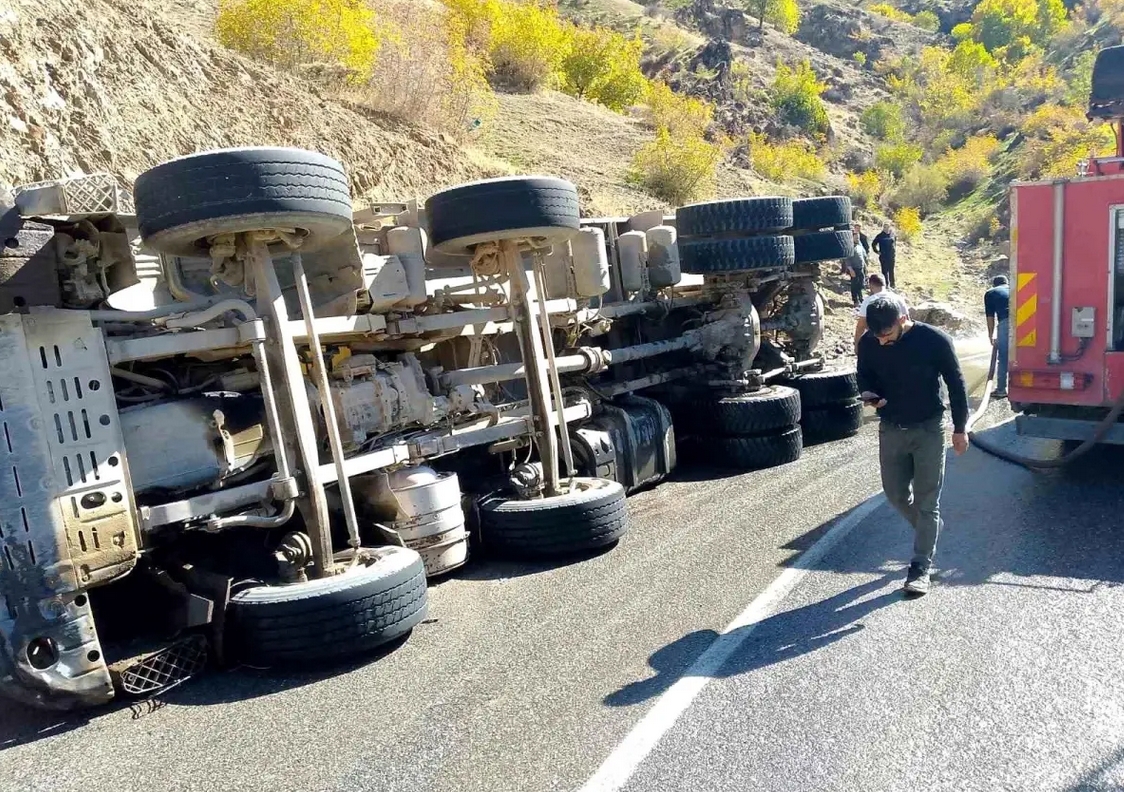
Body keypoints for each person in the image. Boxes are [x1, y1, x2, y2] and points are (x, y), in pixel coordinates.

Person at [856, 294, 970, 596]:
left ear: (902, 320)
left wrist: (960, 429)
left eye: (887, 336)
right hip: (891, 428)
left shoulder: (934, 340)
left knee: (927, 500)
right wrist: (869, 394)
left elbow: (957, 385)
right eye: (876, 336)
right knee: (894, 495)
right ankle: (928, 529)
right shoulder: (869, 342)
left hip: (928, 430)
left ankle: (920, 568)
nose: (881, 342)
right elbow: (864, 374)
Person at [853, 272, 909, 348]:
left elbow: (861, 326)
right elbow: (907, 320)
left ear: (870, 285)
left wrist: (856, 345)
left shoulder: (868, 301)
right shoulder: (898, 298)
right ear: (884, 284)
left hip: (877, 341)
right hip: (899, 341)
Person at [984, 275, 1010, 398]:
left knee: (1003, 356)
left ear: (994, 284)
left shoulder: (991, 293)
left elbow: (990, 317)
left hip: (1006, 321)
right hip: (1026, 322)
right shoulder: (1014, 289)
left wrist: (990, 336)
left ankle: (1001, 389)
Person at [844, 228, 867, 307]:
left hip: (861, 268)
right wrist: (850, 270)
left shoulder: (859, 246)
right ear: (852, 238)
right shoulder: (850, 247)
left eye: (858, 238)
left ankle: (861, 298)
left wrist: (865, 266)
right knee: (854, 285)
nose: (858, 239)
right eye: (856, 237)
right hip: (854, 269)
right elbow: (847, 259)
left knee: (860, 284)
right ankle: (855, 301)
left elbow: (863, 257)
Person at [872, 222, 897, 289]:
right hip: (883, 256)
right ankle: (886, 284)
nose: (886, 228)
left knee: (891, 270)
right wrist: (877, 251)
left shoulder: (892, 235)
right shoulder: (880, 236)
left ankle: (892, 284)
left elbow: (895, 243)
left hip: (891, 256)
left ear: (890, 227)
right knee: (884, 271)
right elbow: (873, 244)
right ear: (883, 228)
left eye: (887, 227)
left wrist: (894, 252)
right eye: (885, 227)